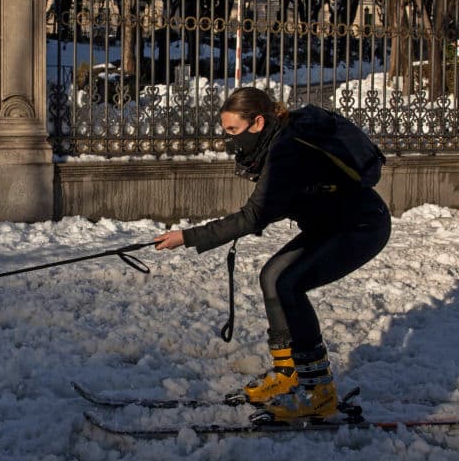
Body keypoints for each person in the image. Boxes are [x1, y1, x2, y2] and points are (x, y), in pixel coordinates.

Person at [153, 87, 391, 421]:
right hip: (332, 225)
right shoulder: (278, 142)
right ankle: (288, 374)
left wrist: (187, 237)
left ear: (258, 122)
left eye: (233, 131)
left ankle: (318, 391)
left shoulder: (286, 151)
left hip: (360, 227)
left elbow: (255, 215)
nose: (228, 141)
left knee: (287, 282)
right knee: (273, 276)